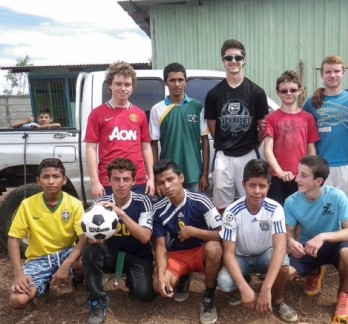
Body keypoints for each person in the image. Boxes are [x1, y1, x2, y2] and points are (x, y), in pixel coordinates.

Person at [217, 159, 298, 323]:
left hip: (264, 255)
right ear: (243, 184)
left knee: (283, 265)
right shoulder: (232, 212)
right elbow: (228, 253)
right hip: (242, 258)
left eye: (262, 186)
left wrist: (266, 289)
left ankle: (277, 301)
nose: (257, 191)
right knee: (225, 283)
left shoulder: (275, 209)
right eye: (252, 185)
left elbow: (280, 248)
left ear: (269, 186)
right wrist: (243, 288)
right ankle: (245, 279)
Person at [82, 158, 156, 324]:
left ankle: (131, 278)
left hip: (139, 257)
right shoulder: (101, 203)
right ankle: (97, 301)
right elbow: (91, 236)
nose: (121, 184)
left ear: (134, 181)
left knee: (145, 295)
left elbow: (145, 237)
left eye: (126, 179)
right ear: (109, 181)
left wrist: (121, 213)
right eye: (116, 179)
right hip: (112, 254)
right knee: (90, 251)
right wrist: (94, 239)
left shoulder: (143, 201)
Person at [285, 155, 348, 322]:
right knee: (286, 274)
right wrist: (291, 241)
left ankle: (344, 295)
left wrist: (323, 236)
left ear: (318, 181)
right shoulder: (291, 202)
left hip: (334, 244)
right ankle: (316, 269)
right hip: (308, 247)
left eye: (304, 176)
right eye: (298, 173)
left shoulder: (337, 196)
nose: (297, 179)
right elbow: (288, 231)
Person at [8, 158, 86, 309]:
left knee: (88, 258)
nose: (51, 181)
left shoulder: (74, 204)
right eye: (46, 177)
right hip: (38, 259)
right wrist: (18, 274)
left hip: (66, 253)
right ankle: (41, 289)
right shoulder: (27, 205)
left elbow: (83, 238)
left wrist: (67, 264)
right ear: (38, 181)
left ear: (64, 180)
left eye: (56, 177)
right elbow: (13, 239)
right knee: (18, 300)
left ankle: (79, 282)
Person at [152, 159, 222, 324]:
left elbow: (224, 234)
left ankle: (209, 296)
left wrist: (194, 231)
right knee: (158, 285)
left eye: (171, 180)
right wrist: (161, 276)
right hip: (178, 255)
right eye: (161, 183)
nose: (167, 186)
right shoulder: (158, 209)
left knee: (215, 248)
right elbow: (160, 245)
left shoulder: (200, 200)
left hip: (201, 251)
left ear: (181, 178)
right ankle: (183, 276)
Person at [205, 39, 269, 212]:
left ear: (244, 60)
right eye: (229, 58)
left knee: (252, 200)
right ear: (223, 61)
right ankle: (226, 237)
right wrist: (226, 142)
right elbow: (213, 127)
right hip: (224, 156)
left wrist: (253, 144)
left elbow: (262, 127)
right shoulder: (213, 94)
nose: (233, 61)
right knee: (221, 203)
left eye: (238, 57)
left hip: (249, 153)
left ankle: (249, 238)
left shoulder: (257, 92)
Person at [84, 61, 154, 199]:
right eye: (118, 84)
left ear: (132, 87)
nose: (123, 88)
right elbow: (90, 149)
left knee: (138, 220)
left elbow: (146, 147)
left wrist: (151, 177)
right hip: (109, 181)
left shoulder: (139, 114)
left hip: (138, 180)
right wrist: (95, 181)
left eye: (127, 84)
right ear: (110, 85)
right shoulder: (97, 114)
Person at [303, 56, 348, 208]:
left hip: (347, 164)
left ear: (343, 73)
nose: (332, 75)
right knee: (323, 207)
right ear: (321, 75)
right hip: (322, 164)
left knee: (345, 208)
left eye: (336, 71)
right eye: (328, 72)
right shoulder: (311, 103)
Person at [149, 62, 210, 192]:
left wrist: (205, 174)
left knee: (195, 210)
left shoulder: (197, 106)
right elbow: (153, 144)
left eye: (180, 80)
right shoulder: (157, 109)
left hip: (194, 173)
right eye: (172, 80)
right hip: (168, 175)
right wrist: (156, 175)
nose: (177, 84)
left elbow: (205, 141)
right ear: (165, 82)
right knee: (171, 211)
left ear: (185, 81)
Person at [263, 70, 319, 206]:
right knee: (278, 215)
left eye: (293, 90)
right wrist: (280, 172)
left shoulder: (308, 118)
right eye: (284, 91)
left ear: (300, 90)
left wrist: (308, 173)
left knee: (301, 214)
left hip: (301, 177)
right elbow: (267, 150)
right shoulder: (271, 118)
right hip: (277, 178)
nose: (288, 93)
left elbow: (311, 150)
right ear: (278, 92)